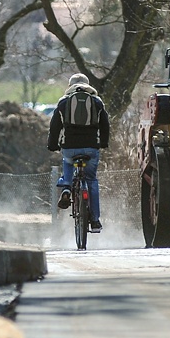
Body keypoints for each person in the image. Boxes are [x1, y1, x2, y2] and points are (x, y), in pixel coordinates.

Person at [47, 73, 110, 233]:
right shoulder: (96, 101)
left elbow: (54, 126)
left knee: (68, 161)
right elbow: (105, 125)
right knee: (91, 180)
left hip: (70, 147)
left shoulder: (63, 102)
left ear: (70, 86)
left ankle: (67, 187)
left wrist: (52, 145)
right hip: (91, 148)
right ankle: (95, 221)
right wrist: (103, 143)